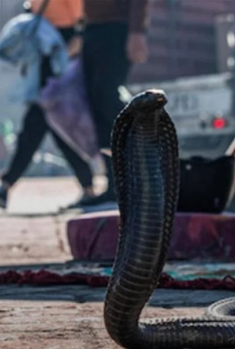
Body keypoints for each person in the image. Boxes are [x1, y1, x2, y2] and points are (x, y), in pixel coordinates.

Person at [0, 0, 97, 210]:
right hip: (46, 58)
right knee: (54, 130)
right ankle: (87, 188)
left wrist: (63, 60)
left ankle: (6, 186)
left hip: (60, 61)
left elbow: (82, 26)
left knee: (38, 126)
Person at [79, 0, 150, 205]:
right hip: (91, 29)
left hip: (117, 28)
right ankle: (115, 186)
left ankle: (145, 145)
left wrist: (137, 31)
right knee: (95, 105)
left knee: (106, 96)